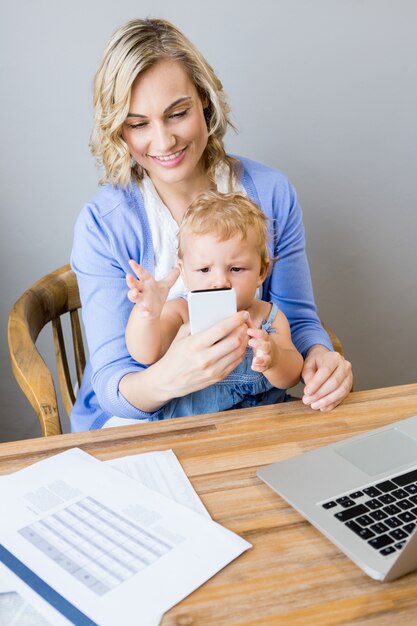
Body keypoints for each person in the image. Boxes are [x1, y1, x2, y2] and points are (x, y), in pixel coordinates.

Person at [70, 17, 352, 431]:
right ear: (118, 130)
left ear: (205, 100)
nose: (164, 142)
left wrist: (321, 359)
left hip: (251, 419)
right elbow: (113, 380)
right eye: (138, 124)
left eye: (177, 113)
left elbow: (298, 324)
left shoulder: (271, 194)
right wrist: (172, 374)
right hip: (140, 427)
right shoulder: (104, 224)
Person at [125, 191, 303, 418]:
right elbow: (145, 353)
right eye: (204, 270)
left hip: (260, 430)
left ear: (261, 272)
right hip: (191, 433)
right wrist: (147, 313)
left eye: (236, 269)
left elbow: (293, 374)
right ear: (185, 273)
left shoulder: (268, 317)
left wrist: (275, 358)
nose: (220, 281)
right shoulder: (181, 313)